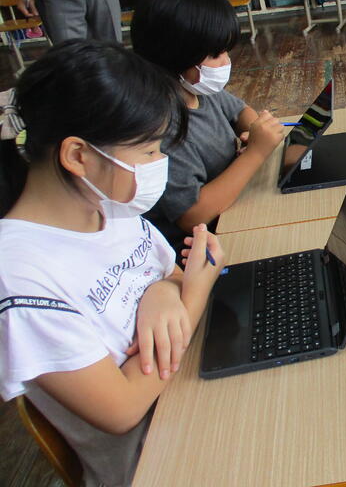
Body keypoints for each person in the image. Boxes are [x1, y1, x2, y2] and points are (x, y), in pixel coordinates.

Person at [0, 40, 224, 487]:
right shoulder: (19, 276)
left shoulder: (108, 206)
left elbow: (170, 274)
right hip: (158, 460)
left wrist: (162, 293)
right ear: (78, 156)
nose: (160, 162)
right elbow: (122, 409)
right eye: (149, 152)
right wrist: (194, 292)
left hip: (194, 391)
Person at [130, 0, 284, 252]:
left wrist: (254, 130)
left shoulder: (197, 89)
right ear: (175, 55)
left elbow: (240, 111)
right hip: (203, 245)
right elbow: (192, 216)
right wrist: (256, 153)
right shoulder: (161, 127)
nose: (226, 62)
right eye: (216, 54)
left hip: (233, 208)